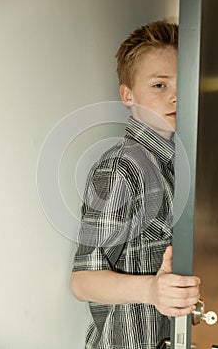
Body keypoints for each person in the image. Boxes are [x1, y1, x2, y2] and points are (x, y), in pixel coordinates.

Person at [70, 20, 200, 349]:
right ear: (128, 94)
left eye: (181, 83)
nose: (176, 97)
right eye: (159, 85)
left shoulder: (180, 163)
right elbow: (82, 282)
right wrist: (150, 291)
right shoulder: (122, 168)